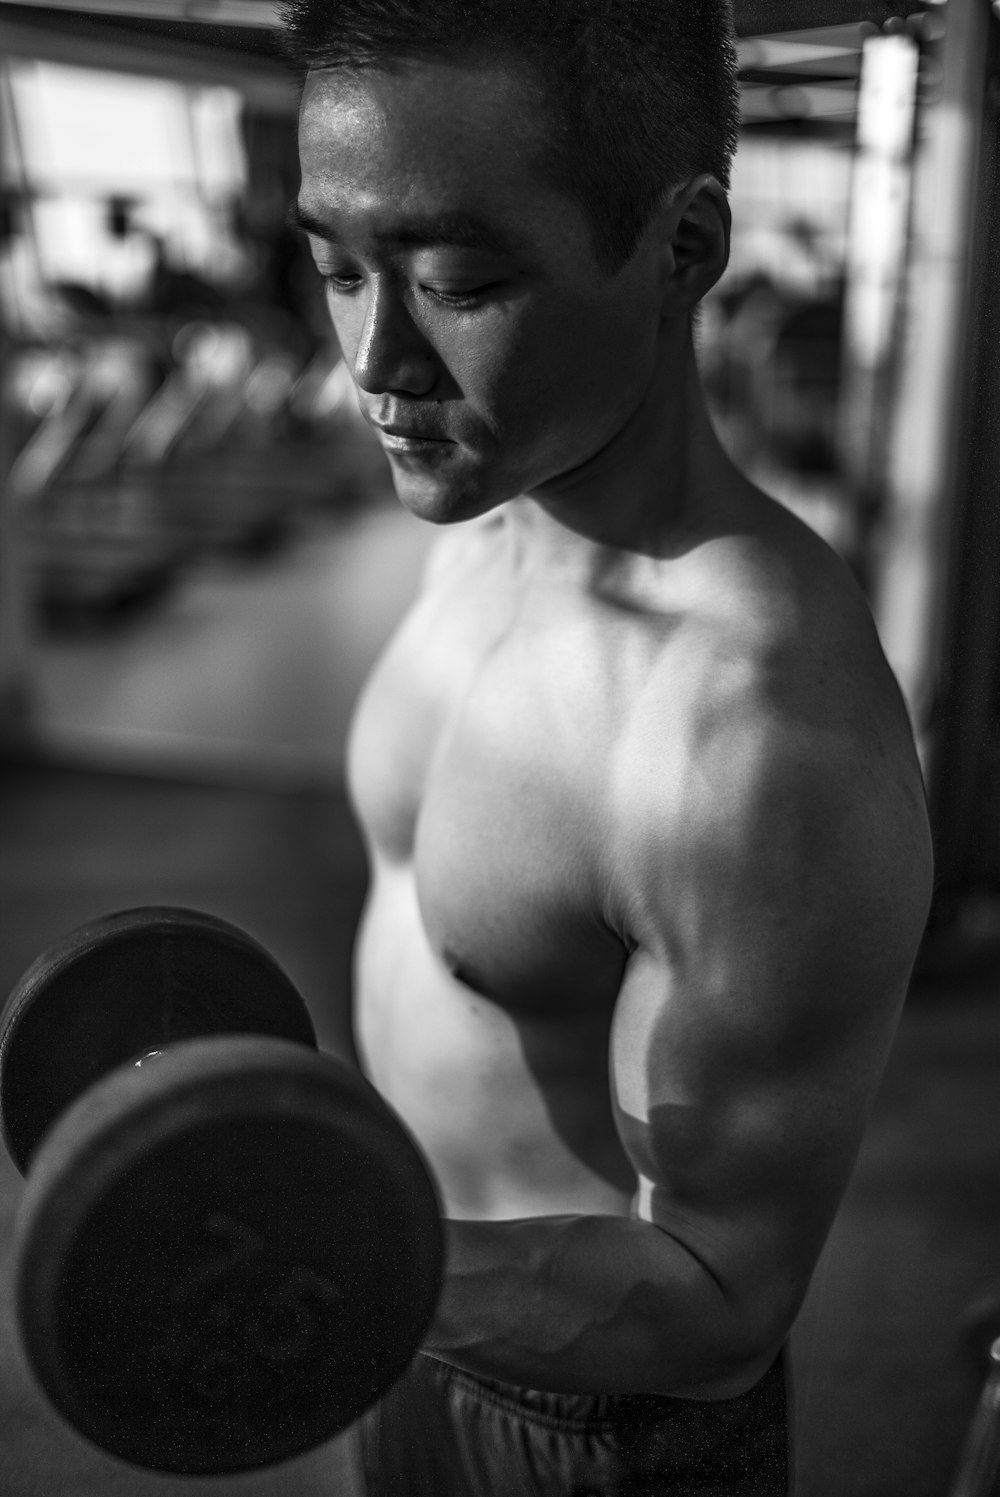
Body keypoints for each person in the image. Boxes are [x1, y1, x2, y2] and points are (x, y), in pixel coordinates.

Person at [283, 1, 934, 1491]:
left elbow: (717, 1300)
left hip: (592, 1432)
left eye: (458, 280)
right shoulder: (489, 524)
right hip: (409, 1332)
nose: (373, 359)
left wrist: (312, 1259)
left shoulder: (756, 731)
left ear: (684, 247)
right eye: (333, 267)